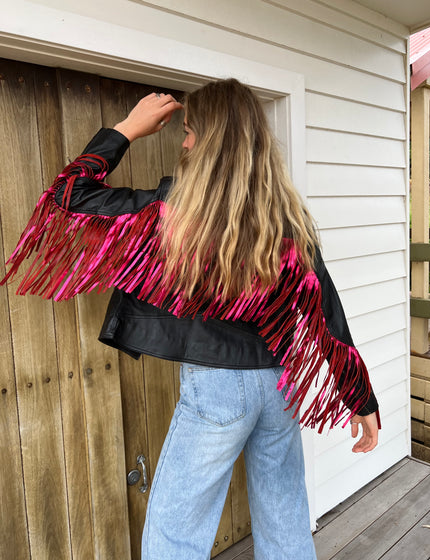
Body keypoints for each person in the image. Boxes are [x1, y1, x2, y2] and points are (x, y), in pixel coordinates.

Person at [2, 78, 380, 560]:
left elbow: (66, 197)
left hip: (219, 388)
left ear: (211, 139)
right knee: (285, 516)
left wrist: (125, 130)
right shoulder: (289, 217)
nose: (182, 142)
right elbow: (327, 312)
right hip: (280, 383)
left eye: (189, 131)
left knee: (174, 538)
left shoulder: (171, 213)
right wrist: (360, 397)